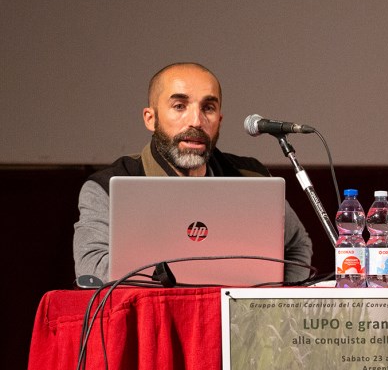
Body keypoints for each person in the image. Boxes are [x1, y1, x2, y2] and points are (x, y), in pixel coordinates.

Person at [73, 62, 314, 283]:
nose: (196, 121)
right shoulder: (108, 186)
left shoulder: (251, 178)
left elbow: (297, 246)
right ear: (150, 118)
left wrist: (276, 303)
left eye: (208, 108)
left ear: (219, 120)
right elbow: (91, 266)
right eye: (179, 106)